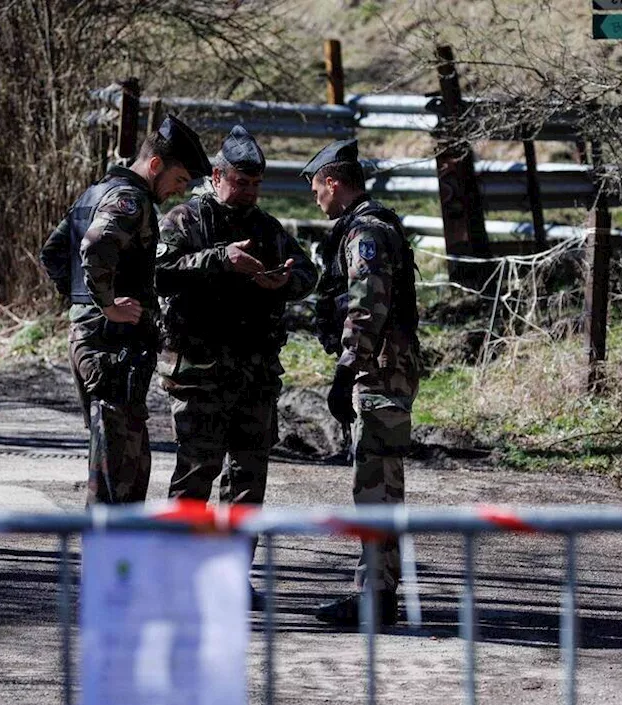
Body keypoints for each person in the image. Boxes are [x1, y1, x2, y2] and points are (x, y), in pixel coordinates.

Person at [155, 125, 318, 607]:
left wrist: (281, 283)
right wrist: (217, 261)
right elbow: (159, 272)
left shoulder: (267, 228)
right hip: (199, 373)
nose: (248, 192)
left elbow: (306, 273)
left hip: (255, 377)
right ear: (217, 176)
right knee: (194, 477)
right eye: (240, 183)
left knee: (247, 483)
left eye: (255, 184)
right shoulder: (185, 219)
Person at [40, 114, 211, 505]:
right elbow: (95, 246)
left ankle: (113, 560)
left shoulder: (96, 192)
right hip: (112, 348)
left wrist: (84, 303)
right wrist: (107, 306)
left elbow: (52, 254)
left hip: (94, 342)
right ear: (155, 165)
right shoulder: (130, 200)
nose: (179, 192)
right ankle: (106, 561)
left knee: (119, 461)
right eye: (180, 180)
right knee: (118, 472)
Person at [303, 138, 422, 627]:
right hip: (386, 363)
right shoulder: (370, 224)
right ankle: (379, 589)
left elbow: (366, 304)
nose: (316, 199)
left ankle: (376, 595)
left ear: (334, 182)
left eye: (316, 189)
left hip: (380, 366)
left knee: (375, 481)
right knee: (380, 480)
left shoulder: (364, 233)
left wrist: (346, 368)